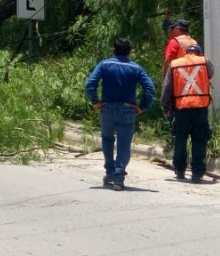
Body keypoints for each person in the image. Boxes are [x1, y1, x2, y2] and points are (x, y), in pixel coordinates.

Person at [85, 37, 156, 191]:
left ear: (113, 50)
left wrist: (95, 101)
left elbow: (90, 84)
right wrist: (142, 107)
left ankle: (110, 172)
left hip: (107, 108)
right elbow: (150, 88)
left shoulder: (104, 65)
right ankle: (118, 177)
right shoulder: (136, 68)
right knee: (124, 143)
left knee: (107, 140)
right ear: (130, 52)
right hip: (127, 109)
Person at [161, 43, 213, 183]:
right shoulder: (204, 61)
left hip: (181, 108)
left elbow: (166, 87)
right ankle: (197, 173)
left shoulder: (175, 64)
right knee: (199, 140)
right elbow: (211, 73)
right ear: (199, 52)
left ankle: (179, 170)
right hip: (200, 107)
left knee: (180, 139)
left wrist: (165, 106)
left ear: (186, 53)